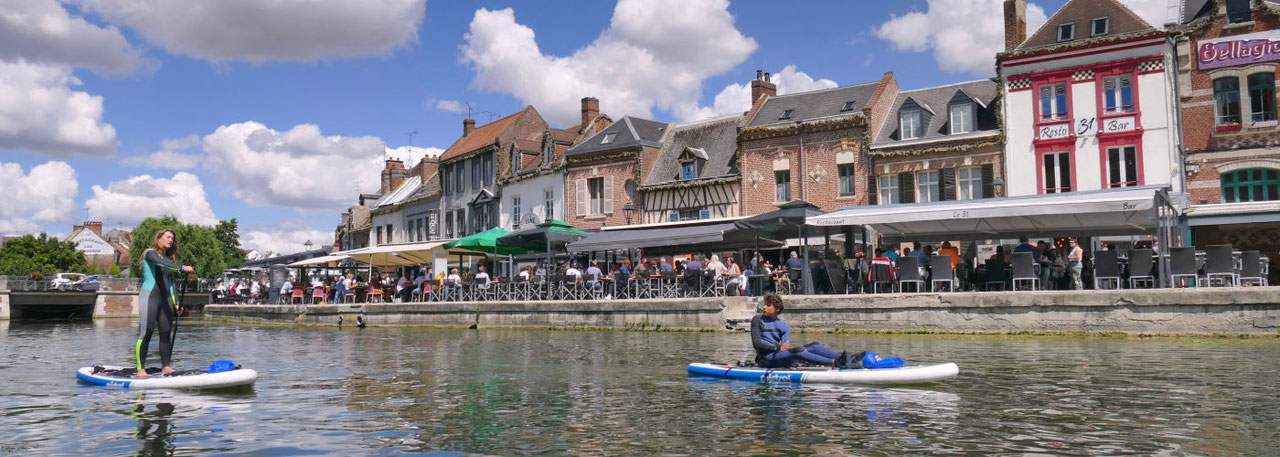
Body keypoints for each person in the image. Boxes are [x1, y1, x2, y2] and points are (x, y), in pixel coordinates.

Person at [134, 229, 194, 378]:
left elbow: (171, 283)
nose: (170, 240)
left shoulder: (169, 260)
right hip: (149, 298)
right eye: (168, 237)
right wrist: (181, 268)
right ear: (159, 238)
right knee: (146, 333)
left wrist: (176, 303)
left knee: (165, 333)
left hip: (165, 301)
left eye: (172, 238)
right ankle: (141, 368)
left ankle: (166, 367)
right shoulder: (150, 253)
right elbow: (161, 264)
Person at [750, 294, 852, 368]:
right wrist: (777, 348)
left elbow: (786, 348)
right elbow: (757, 343)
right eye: (765, 305)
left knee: (814, 345)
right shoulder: (757, 320)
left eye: (768, 305)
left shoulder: (784, 325)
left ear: (777, 309)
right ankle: (833, 362)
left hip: (778, 356)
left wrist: (783, 349)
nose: (764, 307)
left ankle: (847, 359)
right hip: (766, 360)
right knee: (798, 351)